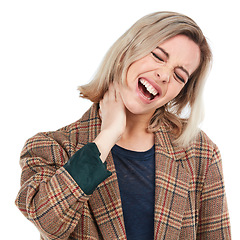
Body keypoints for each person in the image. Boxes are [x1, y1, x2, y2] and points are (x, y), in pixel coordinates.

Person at [15, 11, 231, 239]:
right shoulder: (51, 146)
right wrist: (108, 135)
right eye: (158, 56)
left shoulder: (200, 152)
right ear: (126, 52)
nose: (165, 75)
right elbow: (48, 222)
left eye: (179, 75)